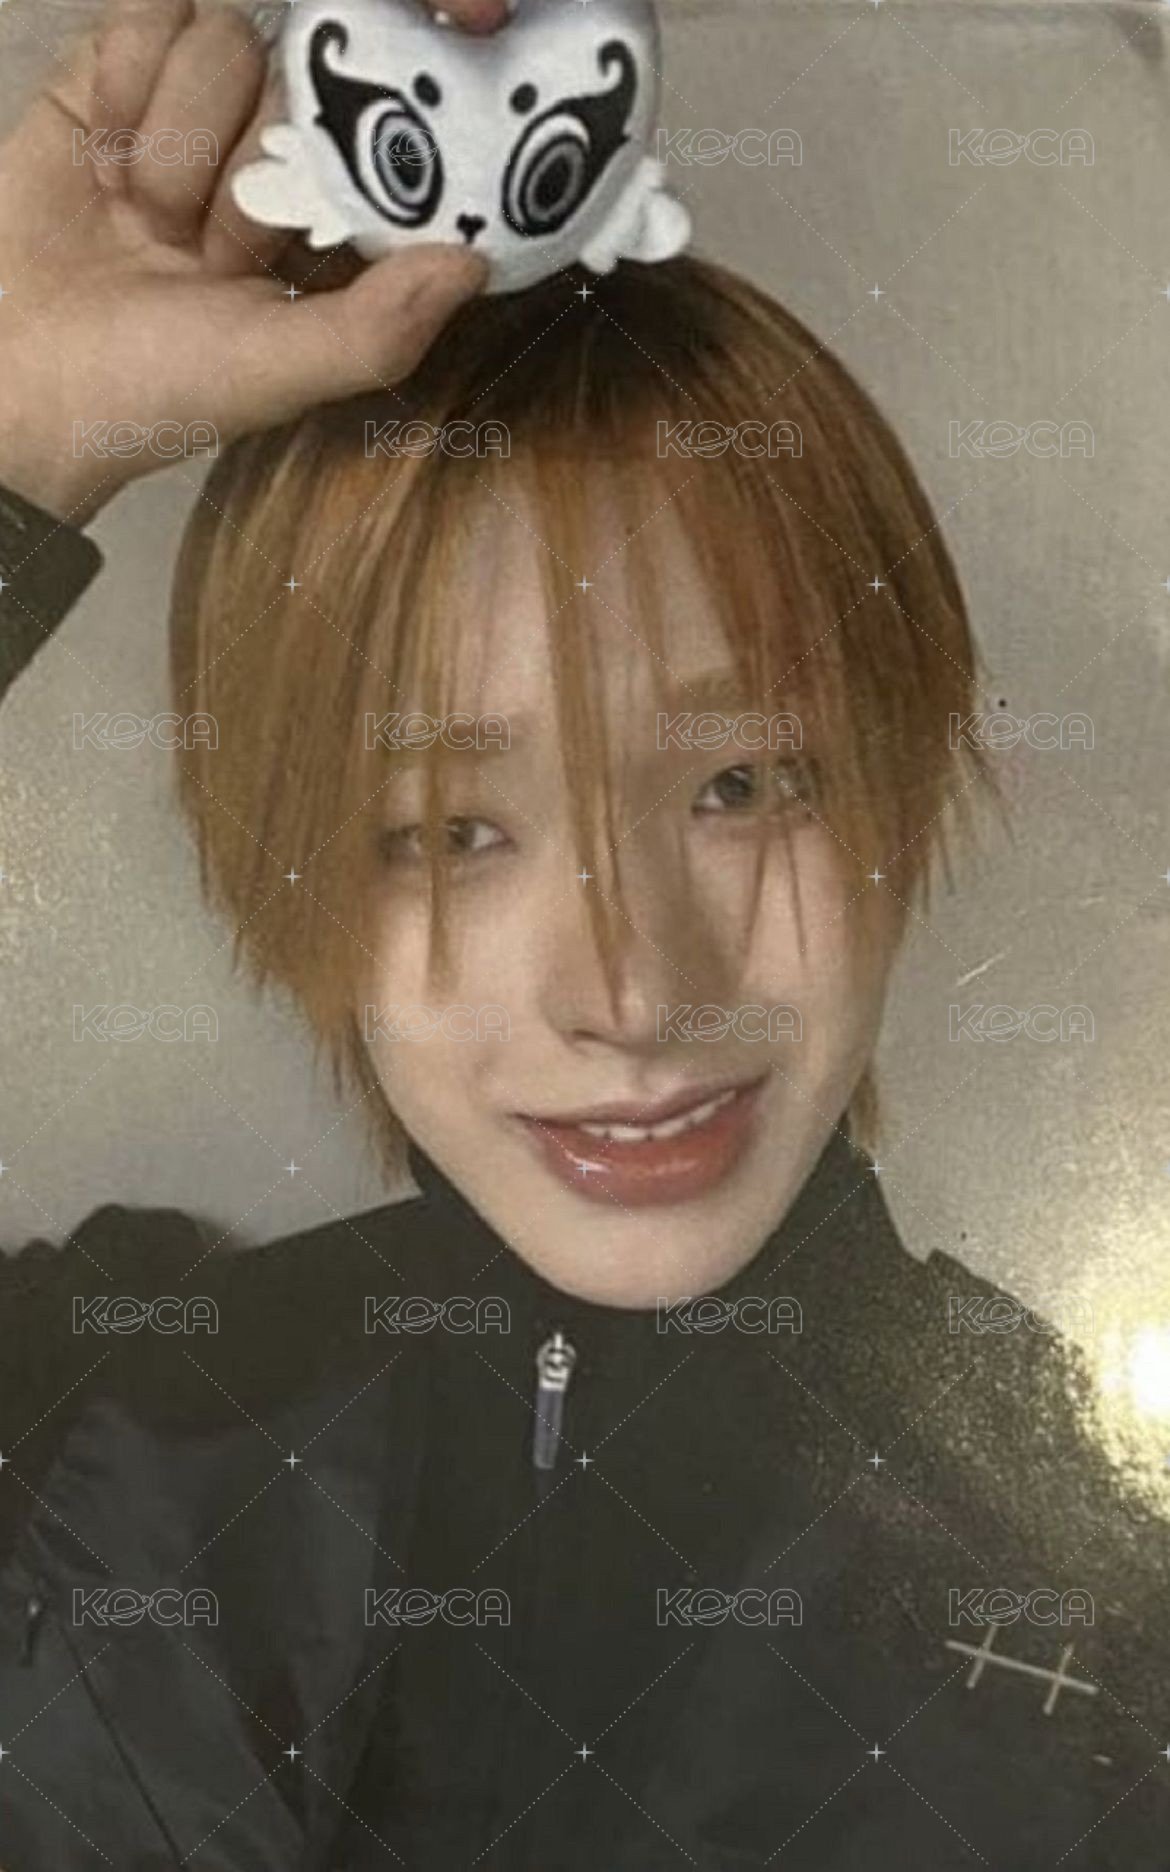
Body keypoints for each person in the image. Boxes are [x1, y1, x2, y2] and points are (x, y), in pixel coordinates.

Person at [2, 2, 1169, 1867]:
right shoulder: (104, 1418)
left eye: (742, 784)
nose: (631, 991)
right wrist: (18, 443)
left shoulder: (1112, 1610)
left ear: (899, 773)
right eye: (447, 829)